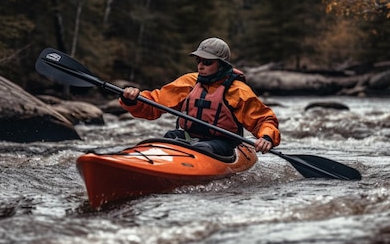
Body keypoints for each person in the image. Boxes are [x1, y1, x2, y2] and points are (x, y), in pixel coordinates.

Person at [120, 37, 280, 156]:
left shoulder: (237, 91)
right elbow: (154, 104)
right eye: (199, 61)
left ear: (221, 64)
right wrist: (133, 99)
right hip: (189, 137)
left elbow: (263, 119)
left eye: (207, 62)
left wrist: (266, 137)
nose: (201, 66)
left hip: (223, 143)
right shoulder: (189, 82)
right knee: (167, 138)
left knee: (204, 149)